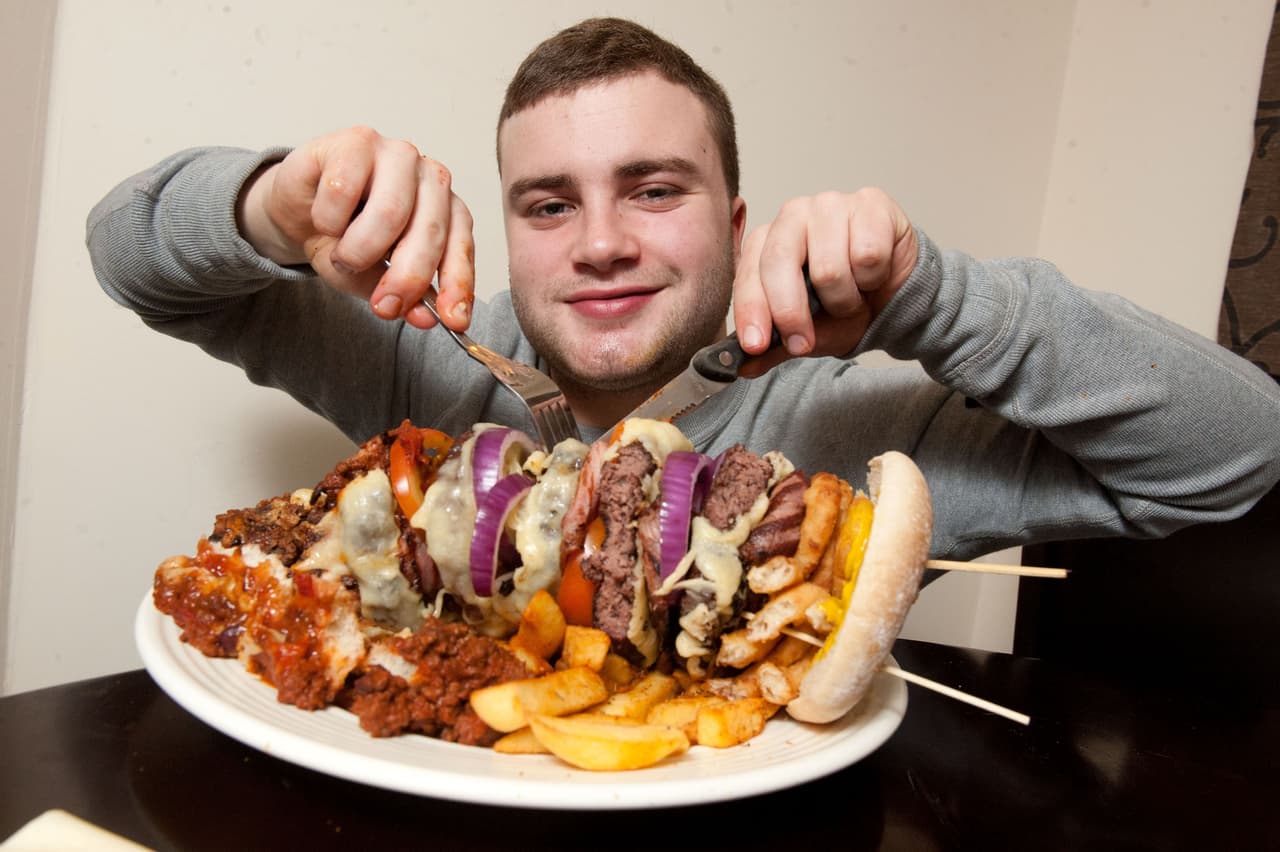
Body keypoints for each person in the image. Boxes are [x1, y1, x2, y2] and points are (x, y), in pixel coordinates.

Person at [88, 17, 1280, 563]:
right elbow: (132, 258)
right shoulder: (426, 362)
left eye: (652, 189)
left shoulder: (858, 425)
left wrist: (934, 294)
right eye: (548, 205)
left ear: (738, 224)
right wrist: (274, 210)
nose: (599, 244)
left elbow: (1240, 455)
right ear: (506, 232)